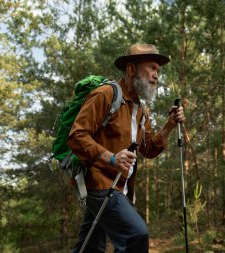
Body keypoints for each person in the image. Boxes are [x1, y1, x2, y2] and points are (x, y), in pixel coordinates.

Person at [67, 43, 185, 253]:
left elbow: (148, 149)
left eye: (158, 70)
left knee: (89, 248)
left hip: (120, 189)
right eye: (151, 68)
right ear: (131, 69)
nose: (156, 75)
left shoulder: (141, 108)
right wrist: (111, 158)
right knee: (136, 236)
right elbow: (77, 136)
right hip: (100, 185)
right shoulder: (105, 95)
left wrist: (169, 126)